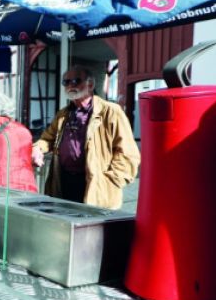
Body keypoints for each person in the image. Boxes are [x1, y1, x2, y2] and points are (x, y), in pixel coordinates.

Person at [31, 65, 140, 209]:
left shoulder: (111, 112)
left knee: (91, 230)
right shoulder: (63, 114)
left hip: (95, 186)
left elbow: (128, 154)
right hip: (64, 182)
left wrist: (109, 181)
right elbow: (47, 138)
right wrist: (37, 148)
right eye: (66, 82)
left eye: (76, 81)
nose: (70, 85)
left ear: (90, 84)